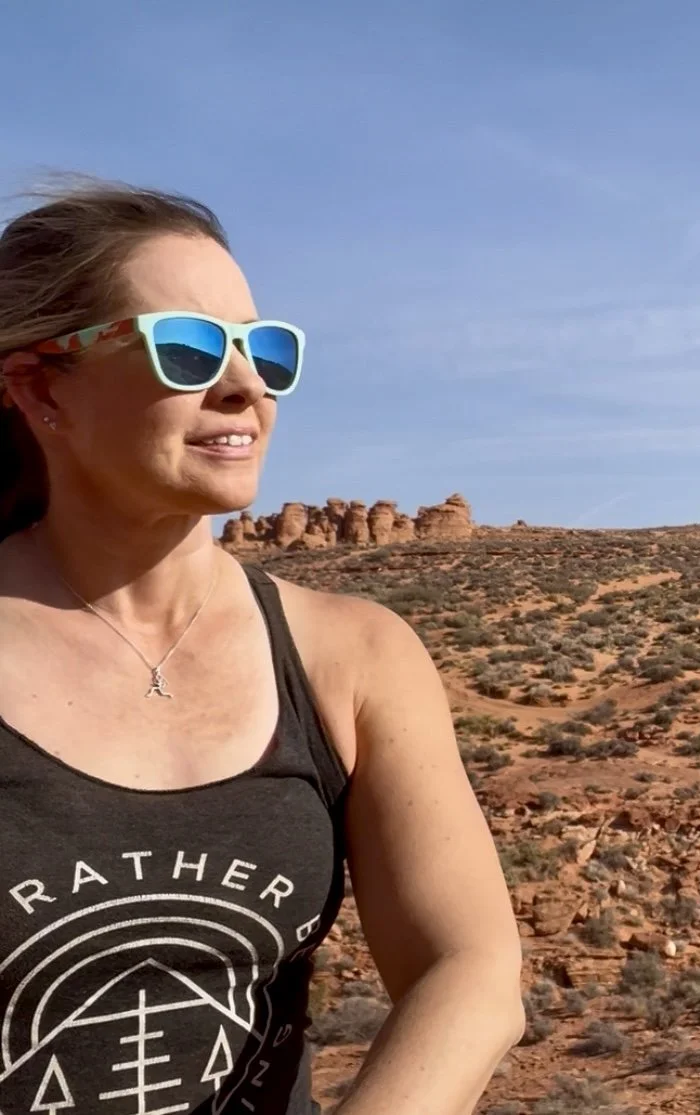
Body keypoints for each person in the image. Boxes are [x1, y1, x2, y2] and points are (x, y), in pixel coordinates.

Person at [0, 178, 525, 1115]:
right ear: (42, 387)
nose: (246, 384)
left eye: (264, 348)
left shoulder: (351, 656)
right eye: (188, 347)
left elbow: (469, 966)